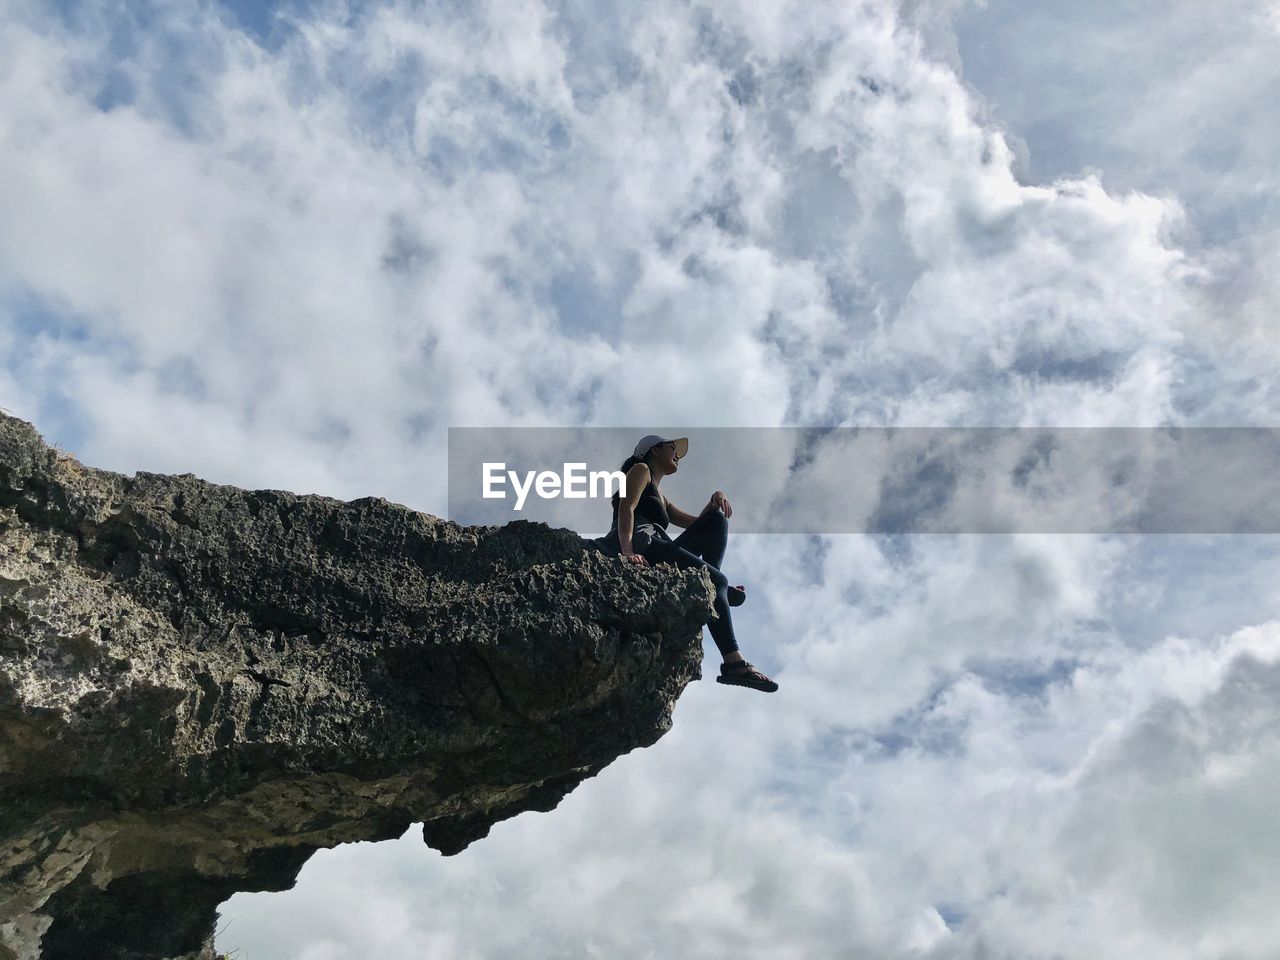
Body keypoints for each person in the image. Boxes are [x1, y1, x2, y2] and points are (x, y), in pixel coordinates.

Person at [595, 434, 778, 693]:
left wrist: (715, 500)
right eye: (673, 447)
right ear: (654, 450)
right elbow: (627, 507)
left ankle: (715, 587)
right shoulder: (640, 469)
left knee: (717, 522)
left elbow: (698, 525)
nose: (677, 454)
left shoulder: (660, 494)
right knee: (718, 581)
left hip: (659, 546)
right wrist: (627, 551)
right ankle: (734, 662)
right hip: (641, 542)